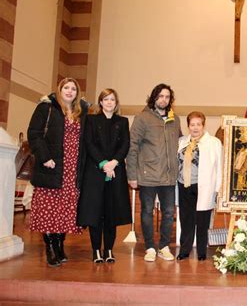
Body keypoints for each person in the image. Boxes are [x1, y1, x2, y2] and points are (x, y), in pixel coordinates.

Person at [27, 78, 88, 267]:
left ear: (77, 93)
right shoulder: (46, 108)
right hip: (52, 166)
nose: (70, 91)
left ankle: (60, 243)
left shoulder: (81, 112)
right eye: (66, 88)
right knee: (49, 210)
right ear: (59, 90)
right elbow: (34, 134)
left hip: (72, 169)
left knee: (66, 211)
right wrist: (45, 157)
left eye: (73, 89)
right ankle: (50, 247)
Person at [126, 83, 181, 262]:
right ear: (154, 97)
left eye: (167, 97)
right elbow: (132, 146)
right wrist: (132, 175)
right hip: (147, 174)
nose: (163, 100)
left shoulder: (175, 119)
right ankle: (150, 247)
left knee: (168, 212)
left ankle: (164, 246)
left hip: (168, 176)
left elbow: (179, 144)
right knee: (147, 211)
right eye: (160, 96)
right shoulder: (142, 118)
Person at [77, 88, 132, 263]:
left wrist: (114, 162)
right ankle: (96, 251)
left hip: (116, 173)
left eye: (112, 100)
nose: (109, 102)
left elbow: (125, 144)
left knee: (111, 214)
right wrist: (103, 164)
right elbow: (89, 144)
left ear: (116, 103)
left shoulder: (122, 121)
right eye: (106, 99)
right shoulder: (91, 120)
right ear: (100, 102)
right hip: (95, 173)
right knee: (96, 214)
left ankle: (108, 250)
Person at [176, 111, 222, 261]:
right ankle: (184, 250)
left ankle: (202, 251)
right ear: (188, 126)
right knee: (186, 219)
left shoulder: (214, 142)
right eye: (192, 124)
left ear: (203, 125)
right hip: (184, 185)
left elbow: (219, 167)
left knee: (202, 220)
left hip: (204, 186)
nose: (195, 128)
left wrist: (217, 189)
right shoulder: (181, 141)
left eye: (198, 124)